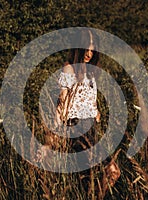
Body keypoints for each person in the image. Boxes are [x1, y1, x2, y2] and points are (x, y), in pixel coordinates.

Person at [53, 29, 121, 198]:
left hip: (91, 127)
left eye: (93, 50)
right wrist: (54, 130)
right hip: (76, 128)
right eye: (86, 49)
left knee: (109, 173)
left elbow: (88, 98)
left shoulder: (90, 72)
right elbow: (62, 101)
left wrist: (96, 111)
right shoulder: (70, 68)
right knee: (94, 175)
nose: (89, 54)